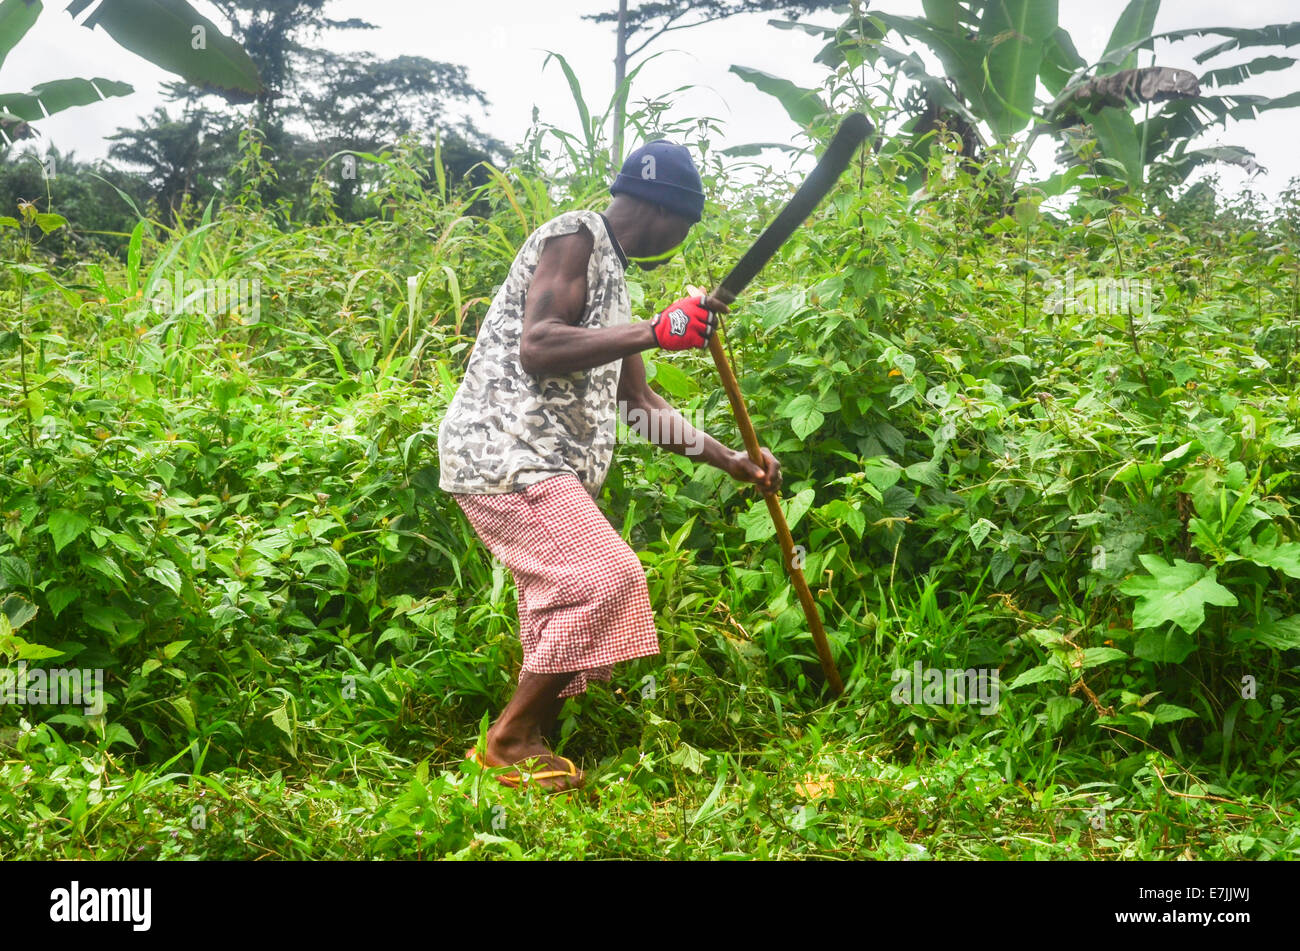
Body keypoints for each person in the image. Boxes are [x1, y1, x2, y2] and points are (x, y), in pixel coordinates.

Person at [438, 139, 782, 792]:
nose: (684, 238)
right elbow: (538, 345)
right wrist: (656, 329)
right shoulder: (575, 236)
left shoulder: (615, 279)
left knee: (563, 604)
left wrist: (733, 460)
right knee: (608, 577)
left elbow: (639, 403)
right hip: (508, 452)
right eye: (687, 224)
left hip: (545, 465)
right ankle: (507, 741)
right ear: (665, 210)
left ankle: (533, 745)